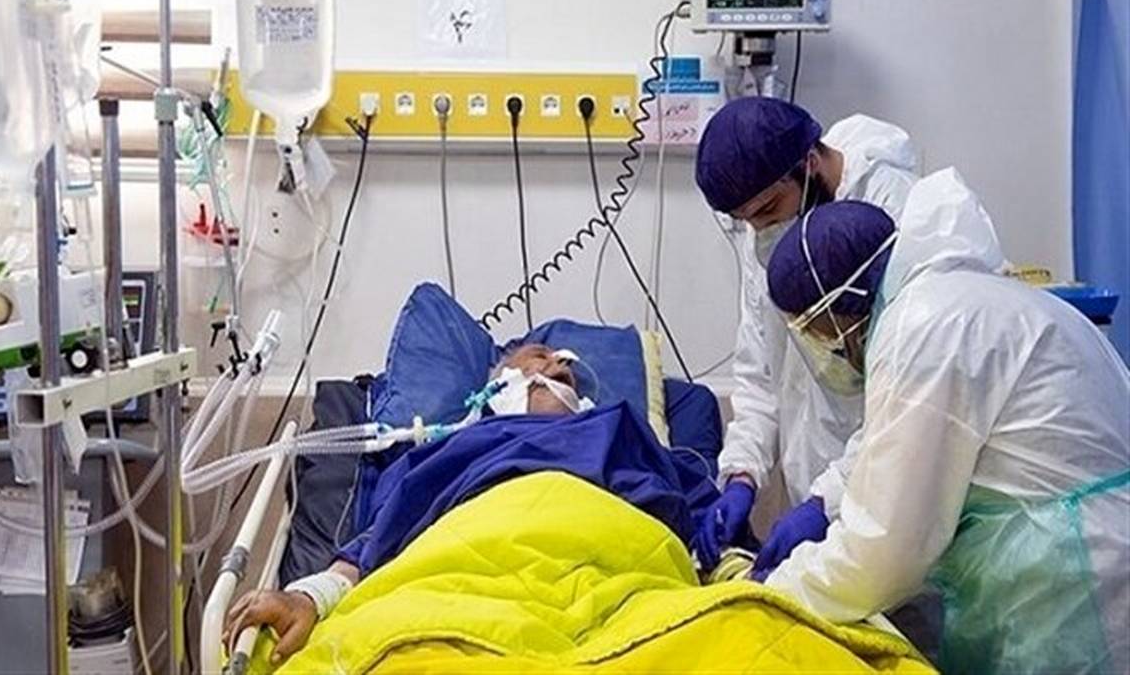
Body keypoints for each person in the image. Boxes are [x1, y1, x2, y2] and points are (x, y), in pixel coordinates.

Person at [761, 168, 1130, 674]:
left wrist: (776, 591)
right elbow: (900, 436)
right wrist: (824, 502)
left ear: (841, 308)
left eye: (816, 332)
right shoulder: (961, 299)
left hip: (1071, 584)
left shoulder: (922, 329)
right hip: (1086, 554)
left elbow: (884, 555)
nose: (825, 350)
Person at [224, 344, 719, 666]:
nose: (559, 364)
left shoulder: (621, 427)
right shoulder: (453, 449)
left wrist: (737, 566)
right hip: (459, 579)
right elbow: (375, 543)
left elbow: (707, 524)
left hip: (620, 579)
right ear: (497, 387)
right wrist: (308, 597)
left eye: (565, 367)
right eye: (539, 357)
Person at [692, 96, 919, 572]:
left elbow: (909, 401)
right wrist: (741, 475)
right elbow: (761, 372)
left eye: (768, 209)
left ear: (810, 162)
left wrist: (827, 501)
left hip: (891, 482)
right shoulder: (771, 232)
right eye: (746, 220)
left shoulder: (892, 215)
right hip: (821, 485)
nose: (761, 229)